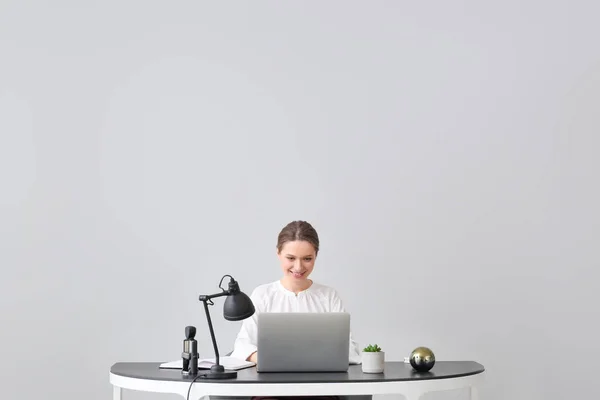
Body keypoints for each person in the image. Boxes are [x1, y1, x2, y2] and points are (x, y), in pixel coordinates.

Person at [230, 220, 361, 364]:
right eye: (291, 258)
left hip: (320, 379)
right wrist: (271, 361)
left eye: (307, 259)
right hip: (272, 380)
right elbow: (243, 344)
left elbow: (348, 348)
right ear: (278, 253)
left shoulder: (328, 296)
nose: (298, 267)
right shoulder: (262, 295)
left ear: (316, 255)